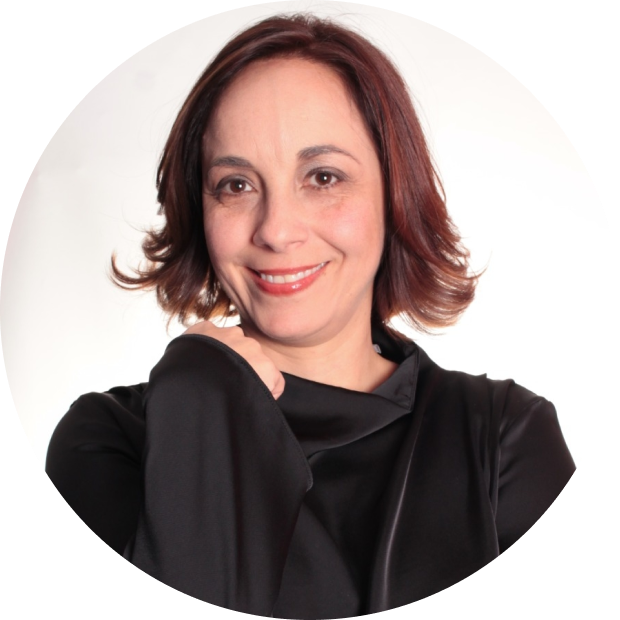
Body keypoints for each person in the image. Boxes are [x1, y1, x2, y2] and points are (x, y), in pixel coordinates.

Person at [45, 14, 575, 616]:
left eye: (323, 177)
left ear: (393, 195)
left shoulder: (503, 440)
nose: (276, 229)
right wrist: (202, 404)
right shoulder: (108, 441)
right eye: (236, 185)